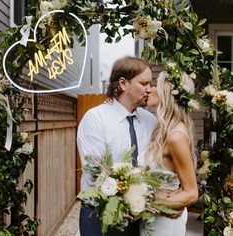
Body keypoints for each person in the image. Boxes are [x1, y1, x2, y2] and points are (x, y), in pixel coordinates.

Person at [77, 56, 157, 236]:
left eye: (150, 84)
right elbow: (95, 172)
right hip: (100, 214)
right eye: (144, 83)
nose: (149, 90)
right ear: (123, 83)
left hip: (140, 216)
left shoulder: (151, 122)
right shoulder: (96, 118)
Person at [138, 70, 199, 236]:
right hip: (152, 220)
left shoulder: (175, 136)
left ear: (167, 93)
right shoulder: (161, 130)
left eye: (154, 85)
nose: (149, 89)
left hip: (165, 223)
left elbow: (192, 193)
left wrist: (146, 202)